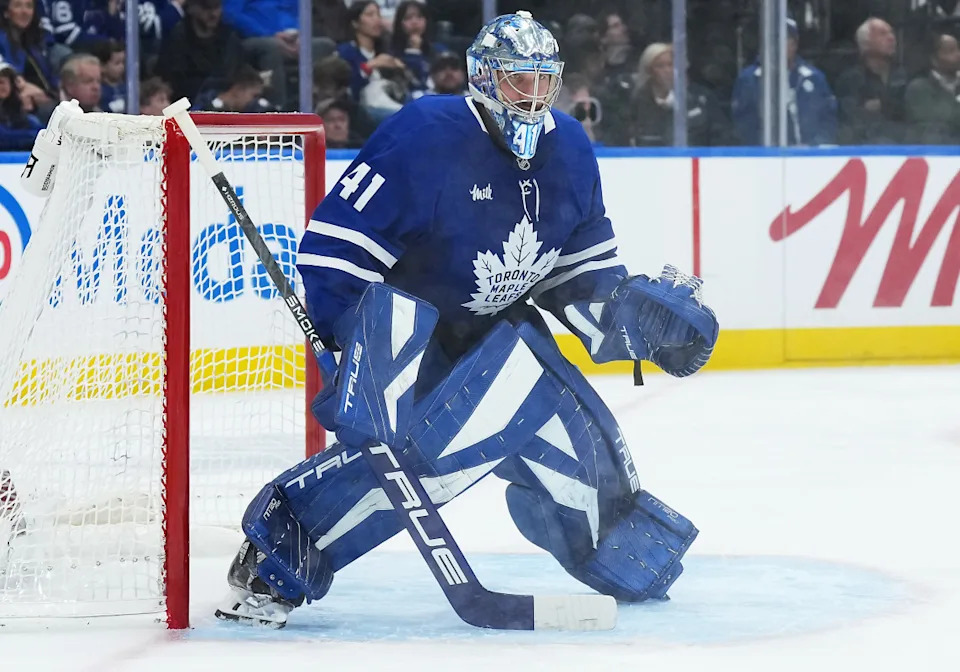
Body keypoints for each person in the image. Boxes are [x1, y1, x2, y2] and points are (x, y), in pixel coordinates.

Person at [213, 11, 715, 629]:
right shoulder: (427, 135)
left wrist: (632, 318)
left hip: (501, 338)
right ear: (483, 78)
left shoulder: (569, 148)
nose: (533, 96)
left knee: (586, 462)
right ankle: (279, 553)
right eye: (518, 80)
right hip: (410, 341)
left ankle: (613, 549)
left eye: (544, 80)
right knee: (428, 460)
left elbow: (578, 271)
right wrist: (357, 355)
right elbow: (337, 253)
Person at [731, 18, 837, 146]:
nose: (777, 45)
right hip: (764, 155)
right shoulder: (748, 80)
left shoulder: (814, 78)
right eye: (772, 39)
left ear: (795, 44)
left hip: (808, 155)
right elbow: (742, 125)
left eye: (784, 39)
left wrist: (813, 147)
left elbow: (828, 120)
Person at [834, 17, 908, 145]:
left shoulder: (903, 75)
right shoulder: (851, 80)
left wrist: (882, 105)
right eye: (883, 34)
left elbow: (908, 112)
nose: (891, 38)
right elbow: (853, 120)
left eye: (891, 33)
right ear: (865, 43)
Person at [905, 32, 960, 144]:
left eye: (958, 49)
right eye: (950, 51)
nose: (958, 55)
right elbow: (937, 122)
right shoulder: (919, 88)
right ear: (934, 60)